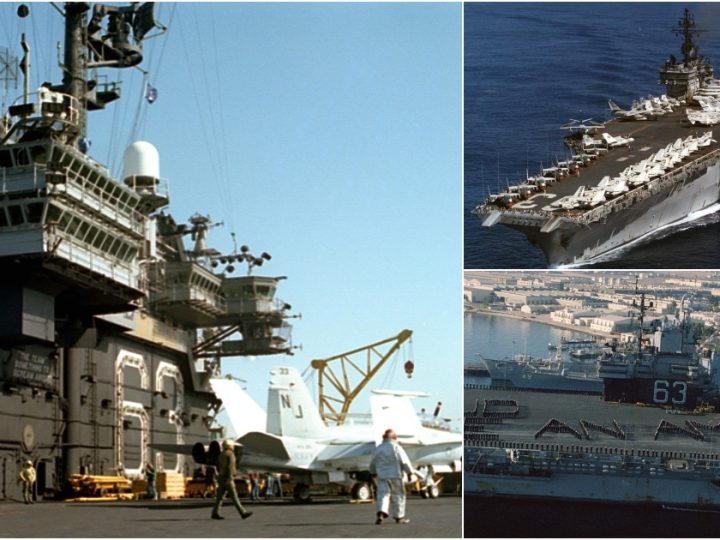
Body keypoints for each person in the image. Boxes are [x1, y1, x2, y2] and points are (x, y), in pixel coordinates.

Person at [369, 428, 419, 525]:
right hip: (395, 475)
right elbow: (404, 461)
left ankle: (381, 512)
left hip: (382, 476)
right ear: (394, 438)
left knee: (383, 494)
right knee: (398, 495)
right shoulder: (396, 447)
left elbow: (372, 463)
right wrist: (410, 473)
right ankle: (399, 517)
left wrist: (373, 472)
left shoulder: (378, 448)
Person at [211, 440, 253, 520]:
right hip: (228, 478)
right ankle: (242, 512)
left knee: (220, 497)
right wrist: (230, 478)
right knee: (234, 496)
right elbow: (230, 467)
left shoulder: (221, 454)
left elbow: (218, 466)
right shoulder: (230, 454)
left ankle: (215, 512)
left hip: (221, 477)